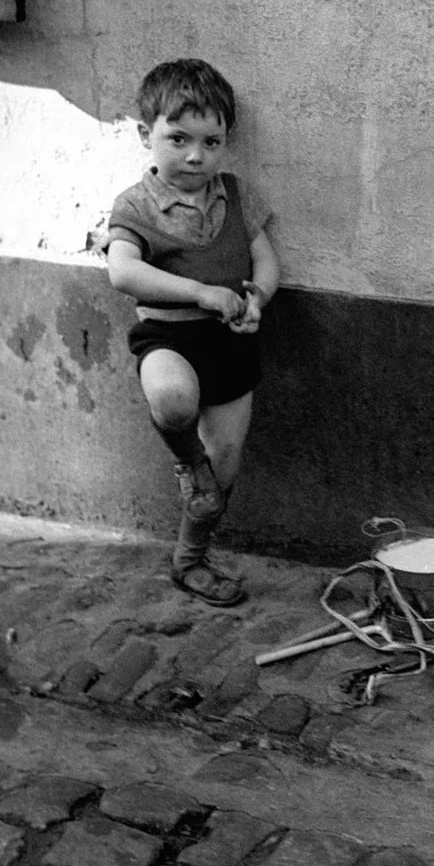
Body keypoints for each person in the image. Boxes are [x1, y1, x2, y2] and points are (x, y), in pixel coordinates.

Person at [106, 58, 279, 607]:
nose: (196, 156)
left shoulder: (235, 193)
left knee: (224, 464)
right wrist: (201, 293)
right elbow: (123, 271)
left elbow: (265, 259)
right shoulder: (135, 205)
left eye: (212, 141)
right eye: (178, 138)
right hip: (169, 336)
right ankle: (186, 460)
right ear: (145, 134)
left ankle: (191, 560)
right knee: (173, 400)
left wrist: (259, 297)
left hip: (230, 342)